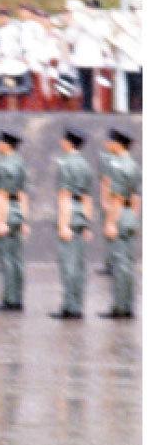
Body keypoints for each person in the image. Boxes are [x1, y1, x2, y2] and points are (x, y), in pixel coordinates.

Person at [50, 127, 93, 320]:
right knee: (79, 265)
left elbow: (64, 196)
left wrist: (63, 224)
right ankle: (77, 305)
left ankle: (69, 306)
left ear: (68, 142)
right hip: (81, 215)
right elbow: (87, 197)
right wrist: (87, 224)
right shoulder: (85, 165)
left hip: (69, 214)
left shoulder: (65, 163)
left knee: (68, 265)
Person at [100, 128, 140, 319]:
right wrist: (133, 217)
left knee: (119, 263)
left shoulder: (117, 166)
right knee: (128, 263)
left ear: (118, 144)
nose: (110, 145)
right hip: (130, 214)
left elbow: (116, 198)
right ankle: (128, 306)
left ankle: (119, 307)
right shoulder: (134, 165)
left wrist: (111, 223)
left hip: (119, 214)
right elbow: (136, 197)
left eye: (112, 142)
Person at [0, 129, 28, 312]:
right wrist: (24, 219)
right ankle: (17, 297)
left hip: (6, 212)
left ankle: (9, 299)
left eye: (0, 142)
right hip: (17, 212)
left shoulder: (3, 165)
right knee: (16, 259)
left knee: (6, 259)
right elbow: (22, 193)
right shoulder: (20, 163)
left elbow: (1, 195)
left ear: (6, 145)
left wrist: (0, 221)